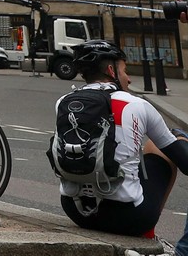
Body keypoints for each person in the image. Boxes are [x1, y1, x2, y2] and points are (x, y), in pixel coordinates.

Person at [54, 39, 188, 249]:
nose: (129, 79)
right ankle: (148, 235)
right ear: (111, 70)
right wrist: (181, 139)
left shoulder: (64, 102)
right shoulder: (137, 104)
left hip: (76, 211)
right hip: (129, 218)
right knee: (162, 144)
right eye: (125, 71)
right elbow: (184, 162)